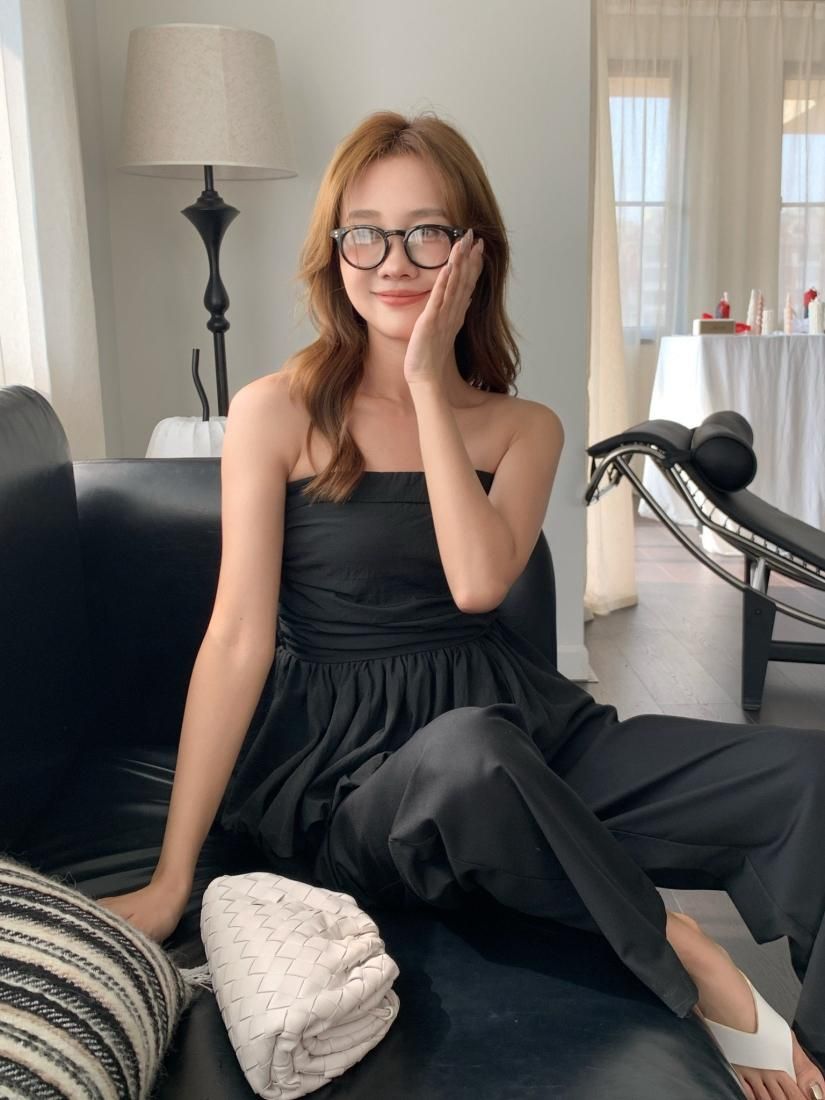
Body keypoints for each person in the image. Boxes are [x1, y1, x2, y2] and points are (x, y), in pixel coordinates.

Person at [100, 110, 825, 1099]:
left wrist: (427, 387)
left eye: (426, 233)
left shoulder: (523, 427)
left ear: (474, 254)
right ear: (335, 251)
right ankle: (686, 952)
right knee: (470, 754)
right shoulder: (277, 412)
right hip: (360, 782)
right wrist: (171, 874)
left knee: (806, 776)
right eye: (366, 232)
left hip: (524, 732)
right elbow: (235, 640)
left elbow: (479, 582)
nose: (394, 262)